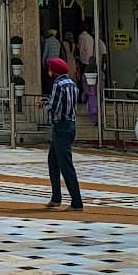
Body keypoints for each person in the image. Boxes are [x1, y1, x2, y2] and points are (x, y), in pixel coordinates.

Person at [43, 57, 85, 210]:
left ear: (54, 71)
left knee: (65, 165)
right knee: (53, 161)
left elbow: (54, 107)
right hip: (70, 125)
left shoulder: (58, 85)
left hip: (60, 126)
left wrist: (44, 104)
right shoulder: (72, 84)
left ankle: (76, 202)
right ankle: (56, 197)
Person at [40, 26, 62, 93]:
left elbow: (45, 53)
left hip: (49, 64)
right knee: (55, 80)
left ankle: (49, 95)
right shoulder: (58, 42)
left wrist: (43, 63)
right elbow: (59, 54)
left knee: (49, 80)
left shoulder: (47, 41)